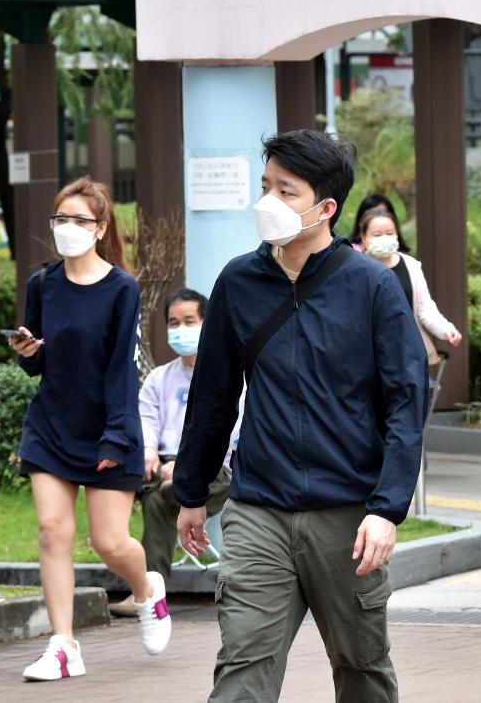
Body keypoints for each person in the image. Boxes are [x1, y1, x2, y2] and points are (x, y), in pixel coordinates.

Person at [173, 129, 428, 702]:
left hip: (349, 515)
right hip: (258, 508)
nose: (268, 201)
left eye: (286, 191)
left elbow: (405, 404)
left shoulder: (371, 286)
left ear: (325, 207)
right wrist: (191, 491)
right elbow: (213, 396)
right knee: (242, 666)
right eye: (266, 186)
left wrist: (386, 509)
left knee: (362, 668)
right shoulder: (238, 282)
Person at [9, 176, 171, 682]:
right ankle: (64, 646)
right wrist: (28, 353)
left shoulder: (122, 288)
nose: (67, 227)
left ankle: (147, 590)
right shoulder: (42, 284)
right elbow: (40, 361)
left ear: (100, 229)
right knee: (52, 531)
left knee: (110, 543)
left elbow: (122, 369)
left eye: (79, 219)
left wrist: (117, 437)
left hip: (108, 427)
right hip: (52, 425)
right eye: (60, 218)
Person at [108, 287, 243, 618]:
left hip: (216, 471)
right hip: (163, 468)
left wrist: (186, 465)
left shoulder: (230, 375)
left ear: (207, 323)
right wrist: (149, 451)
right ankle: (147, 588)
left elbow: (233, 430)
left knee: (157, 499)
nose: (180, 329)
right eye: (173, 322)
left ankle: (147, 593)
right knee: (149, 488)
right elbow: (146, 420)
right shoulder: (159, 379)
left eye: (189, 321)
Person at [358, 206, 462, 364]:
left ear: (397, 234)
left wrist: (446, 329)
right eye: (377, 235)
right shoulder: (356, 269)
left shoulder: (411, 265)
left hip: (408, 355)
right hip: (368, 356)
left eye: (390, 233)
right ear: (364, 238)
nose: (384, 238)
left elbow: (425, 308)